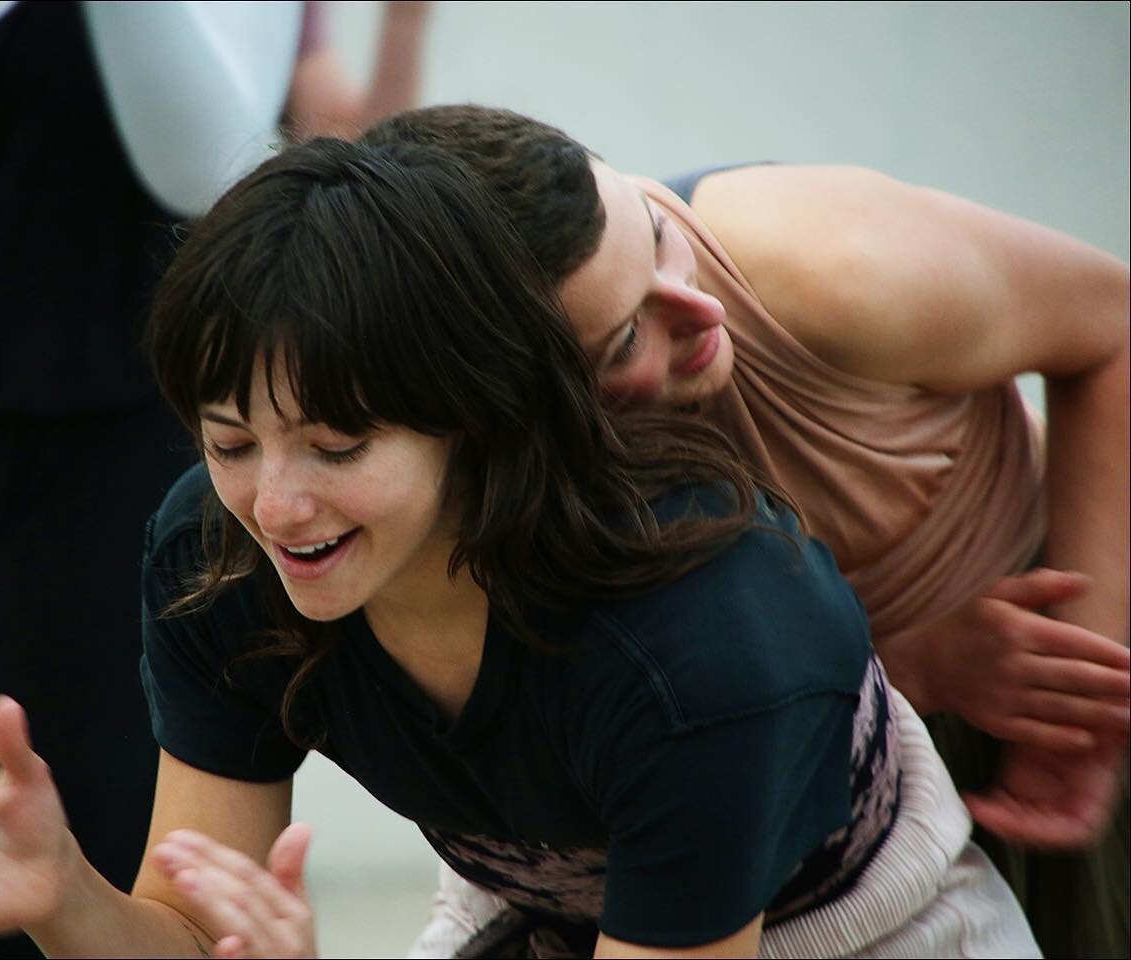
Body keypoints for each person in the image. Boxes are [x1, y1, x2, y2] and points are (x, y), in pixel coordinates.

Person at [0, 137, 1037, 959]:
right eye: (230, 439)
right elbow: (197, 934)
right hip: (540, 906)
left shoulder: (706, 641)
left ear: (477, 414)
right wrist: (67, 896)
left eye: (338, 446)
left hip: (868, 925)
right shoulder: (216, 552)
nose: (277, 505)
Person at [0, 3, 427, 957]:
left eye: (331, 450)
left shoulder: (199, 524)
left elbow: (227, 160)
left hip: (109, 446)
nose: (281, 503)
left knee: (34, 900)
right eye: (248, 452)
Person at [360, 104, 1130, 958]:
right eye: (623, 342)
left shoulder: (831, 265)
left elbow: (1114, 327)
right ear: (515, 411)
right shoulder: (480, 477)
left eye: (655, 233)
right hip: (821, 749)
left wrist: (1084, 694)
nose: (699, 311)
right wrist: (915, 662)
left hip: (1058, 622)